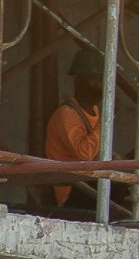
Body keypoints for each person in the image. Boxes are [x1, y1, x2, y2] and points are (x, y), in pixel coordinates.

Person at [38, 51, 104, 214]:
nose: (98, 84)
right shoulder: (67, 114)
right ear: (78, 80)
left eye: (102, 79)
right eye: (92, 79)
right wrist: (107, 120)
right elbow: (85, 153)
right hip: (73, 189)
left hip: (92, 182)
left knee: (135, 183)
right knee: (124, 186)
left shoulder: (95, 110)